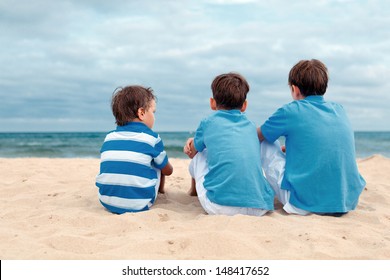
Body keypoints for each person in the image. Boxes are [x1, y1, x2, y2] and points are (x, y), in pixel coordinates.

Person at [258, 59, 366, 216]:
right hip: (344, 202)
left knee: (267, 142)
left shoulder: (290, 110)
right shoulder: (339, 110)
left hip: (304, 203)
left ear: (295, 89)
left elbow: (257, 136)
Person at [184, 72, 275, 216]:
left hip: (220, 206)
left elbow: (192, 152)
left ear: (212, 103)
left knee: (201, 153)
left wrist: (191, 143)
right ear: (244, 106)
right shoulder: (251, 126)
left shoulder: (208, 123)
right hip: (259, 207)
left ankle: (193, 191)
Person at [96, 85, 173, 214]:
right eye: (153, 112)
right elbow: (168, 170)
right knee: (158, 162)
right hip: (140, 203)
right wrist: (167, 167)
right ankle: (161, 191)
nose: (154, 117)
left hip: (106, 201)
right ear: (141, 113)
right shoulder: (152, 138)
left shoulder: (109, 137)